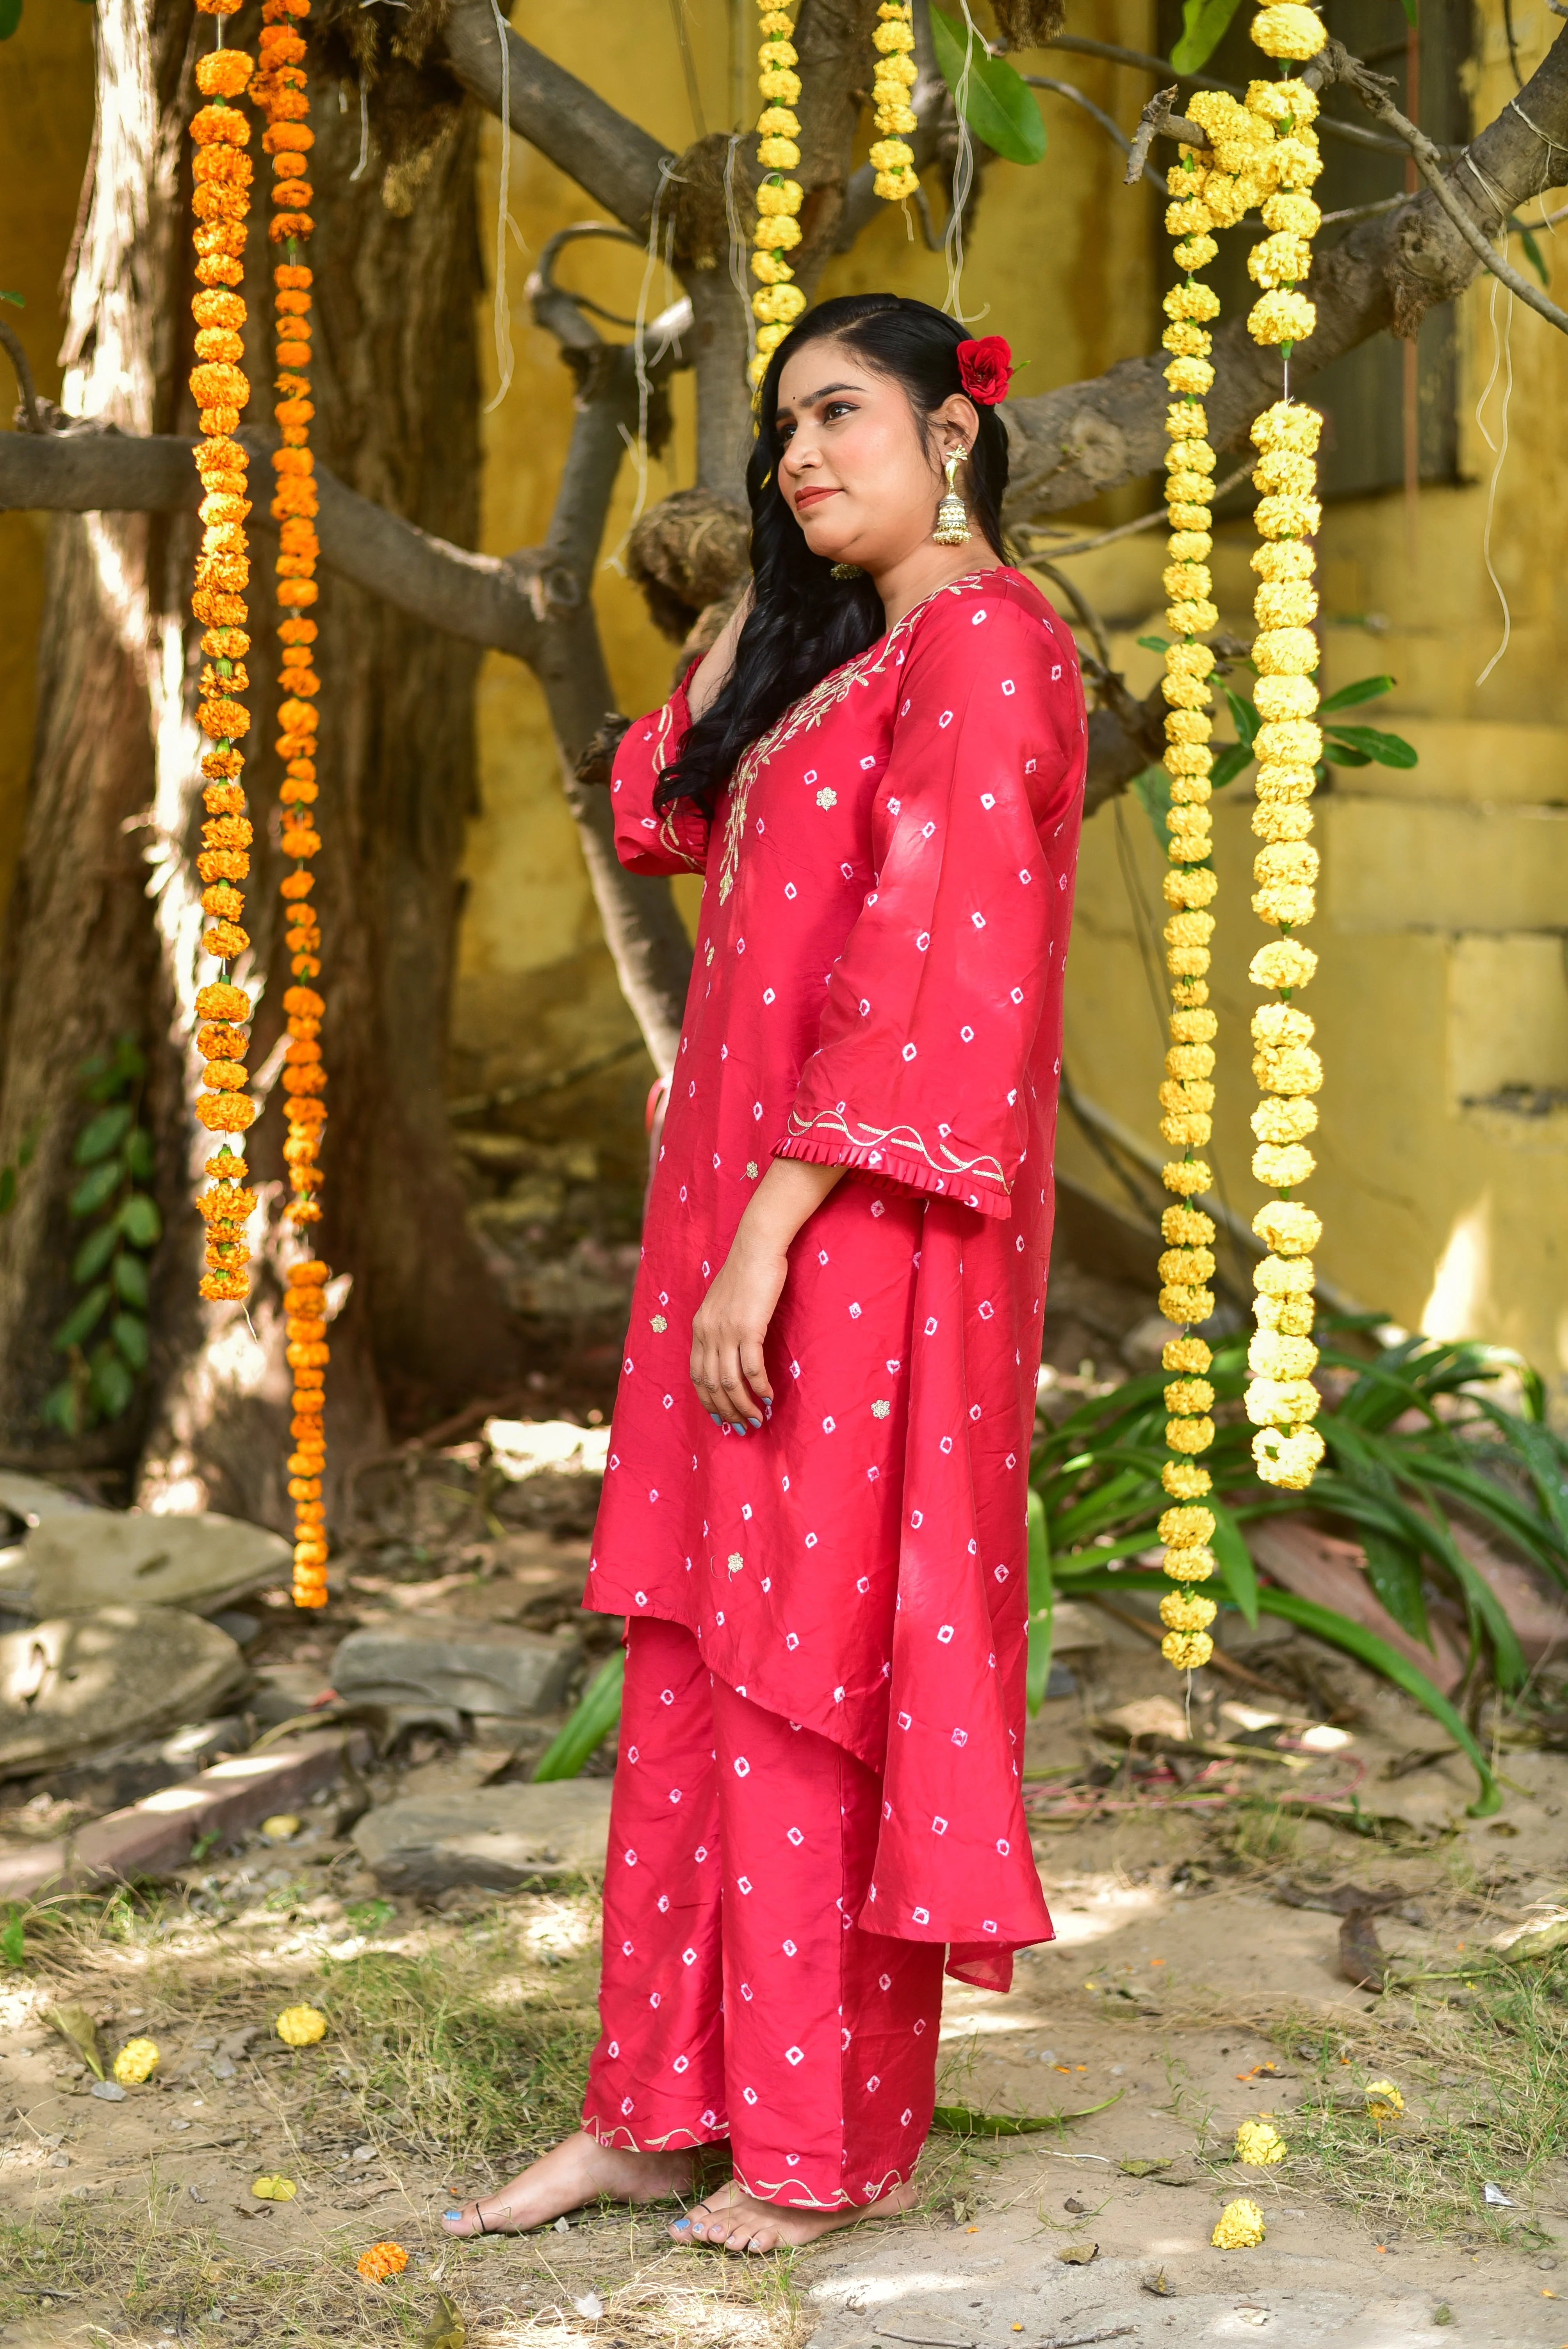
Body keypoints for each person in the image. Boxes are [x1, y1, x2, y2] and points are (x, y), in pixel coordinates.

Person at [443, 292, 1085, 2256]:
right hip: (742, 1221)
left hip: (851, 1231)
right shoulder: (849, 664)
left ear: (950, 433)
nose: (799, 456)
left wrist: (763, 1245)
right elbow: (659, 811)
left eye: (840, 417)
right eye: (779, 432)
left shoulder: (986, 647)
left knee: (807, 1665)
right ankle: (652, 2107)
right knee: (700, 1662)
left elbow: (924, 987)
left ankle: (809, 2139)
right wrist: (744, 632)